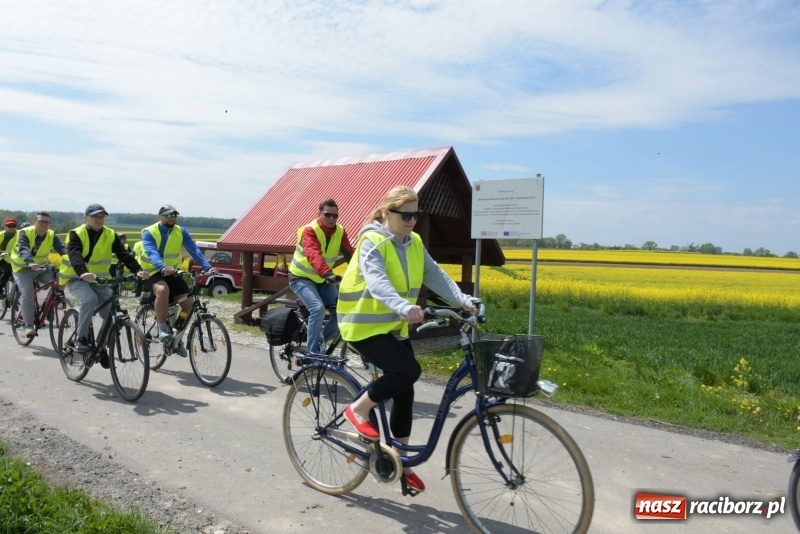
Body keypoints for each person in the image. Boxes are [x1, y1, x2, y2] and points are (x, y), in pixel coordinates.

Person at [336, 185, 476, 494]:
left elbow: (434, 274)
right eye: (405, 214)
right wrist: (404, 307)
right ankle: (358, 409)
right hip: (361, 324)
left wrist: (464, 300)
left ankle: (400, 461)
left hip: (390, 326)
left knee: (404, 388)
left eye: (416, 214)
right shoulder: (372, 241)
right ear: (387, 213)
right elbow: (377, 282)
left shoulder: (413, 243)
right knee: (408, 370)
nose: (412, 220)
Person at [59, 204, 149, 355]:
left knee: (112, 312)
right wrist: (83, 272)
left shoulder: (110, 234)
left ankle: (100, 348)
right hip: (76, 277)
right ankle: (81, 339)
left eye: (102, 217)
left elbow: (123, 254)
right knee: (89, 300)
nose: (99, 220)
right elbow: (75, 255)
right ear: (86, 218)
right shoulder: (77, 233)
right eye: (95, 216)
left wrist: (138, 270)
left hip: (99, 280)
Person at [138, 205, 215, 357]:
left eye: (174, 214)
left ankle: (176, 337)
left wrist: (207, 267)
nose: (171, 217)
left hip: (172, 272)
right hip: (152, 271)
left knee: (190, 305)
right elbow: (151, 252)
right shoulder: (149, 232)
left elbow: (194, 249)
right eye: (167, 215)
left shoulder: (181, 231)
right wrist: (162, 267)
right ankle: (162, 328)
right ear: (159, 216)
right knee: (162, 290)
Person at [288, 199, 354, 355]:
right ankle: (312, 355)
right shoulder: (309, 230)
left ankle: (320, 344)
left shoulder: (340, 231)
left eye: (335, 216)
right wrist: (328, 273)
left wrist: (365, 272)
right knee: (317, 309)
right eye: (327, 215)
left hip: (323, 280)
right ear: (319, 214)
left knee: (342, 310)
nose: (331, 219)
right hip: (300, 278)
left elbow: (351, 255)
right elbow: (313, 254)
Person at [10, 212, 68, 338]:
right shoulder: (24, 232)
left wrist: (76, 260)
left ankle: (49, 308)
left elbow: (62, 249)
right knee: (28, 293)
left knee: (61, 279)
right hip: (22, 268)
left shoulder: (52, 235)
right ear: (34, 222)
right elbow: (24, 248)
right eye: (41, 221)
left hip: (40, 268)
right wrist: (30, 262)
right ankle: (29, 326)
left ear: (50, 224)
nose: (44, 224)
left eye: (47, 222)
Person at [0, 217, 19, 298]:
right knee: (6, 271)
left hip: (15, 260)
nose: (11, 228)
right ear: (5, 226)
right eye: (9, 226)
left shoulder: (20, 234)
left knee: (19, 278)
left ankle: (19, 297)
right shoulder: (1, 235)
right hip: (2, 259)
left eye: (13, 226)